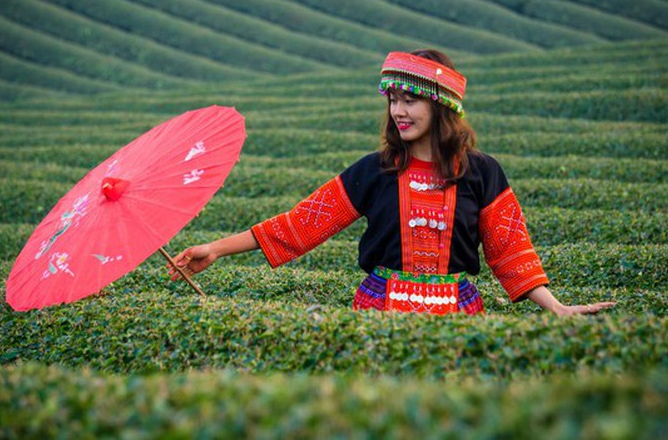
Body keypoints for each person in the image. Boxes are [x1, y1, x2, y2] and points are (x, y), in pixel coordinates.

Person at [169, 50, 616, 316]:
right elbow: (302, 224)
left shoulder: (482, 173)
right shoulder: (373, 170)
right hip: (377, 311)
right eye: (394, 101)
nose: (399, 112)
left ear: (442, 108)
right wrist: (216, 249)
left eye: (411, 101)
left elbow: (510, 251)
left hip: (458, 312)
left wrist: (556, 307)